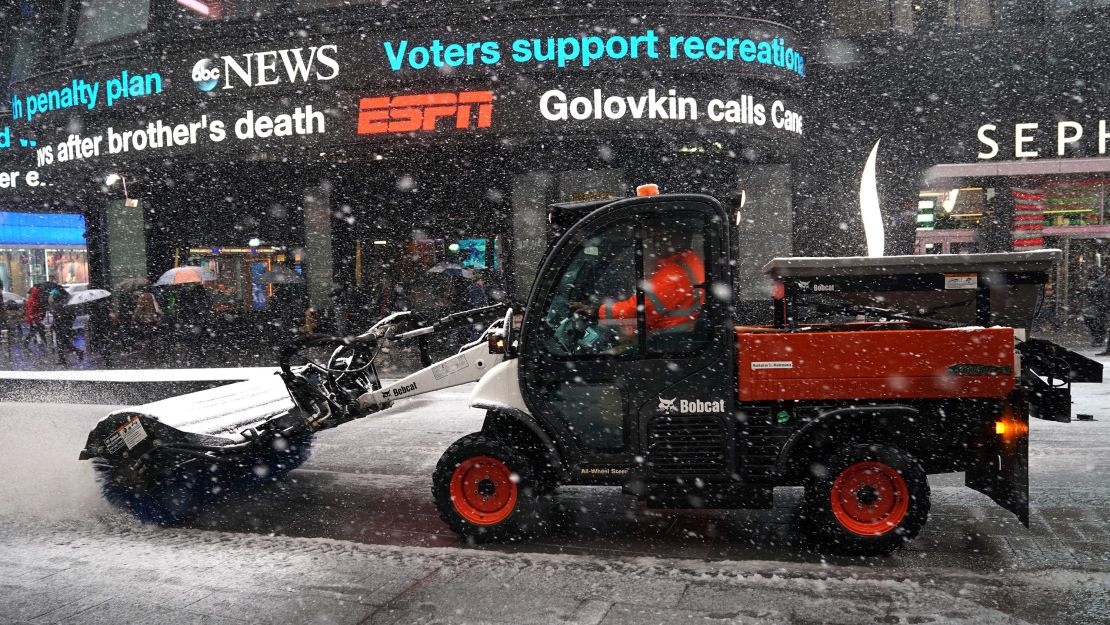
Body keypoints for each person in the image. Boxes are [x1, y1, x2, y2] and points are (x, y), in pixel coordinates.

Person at [49, 288, 82, 365]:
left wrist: (55, 325)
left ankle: (63, 358)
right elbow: (72, 316)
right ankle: (75, 353)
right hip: (63, 327)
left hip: (61, 327)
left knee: (61, 343)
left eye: (52, 296)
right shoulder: (65, 304)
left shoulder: (57, 306)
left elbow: (56, 318)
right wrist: (69, 324)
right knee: (64, 343)